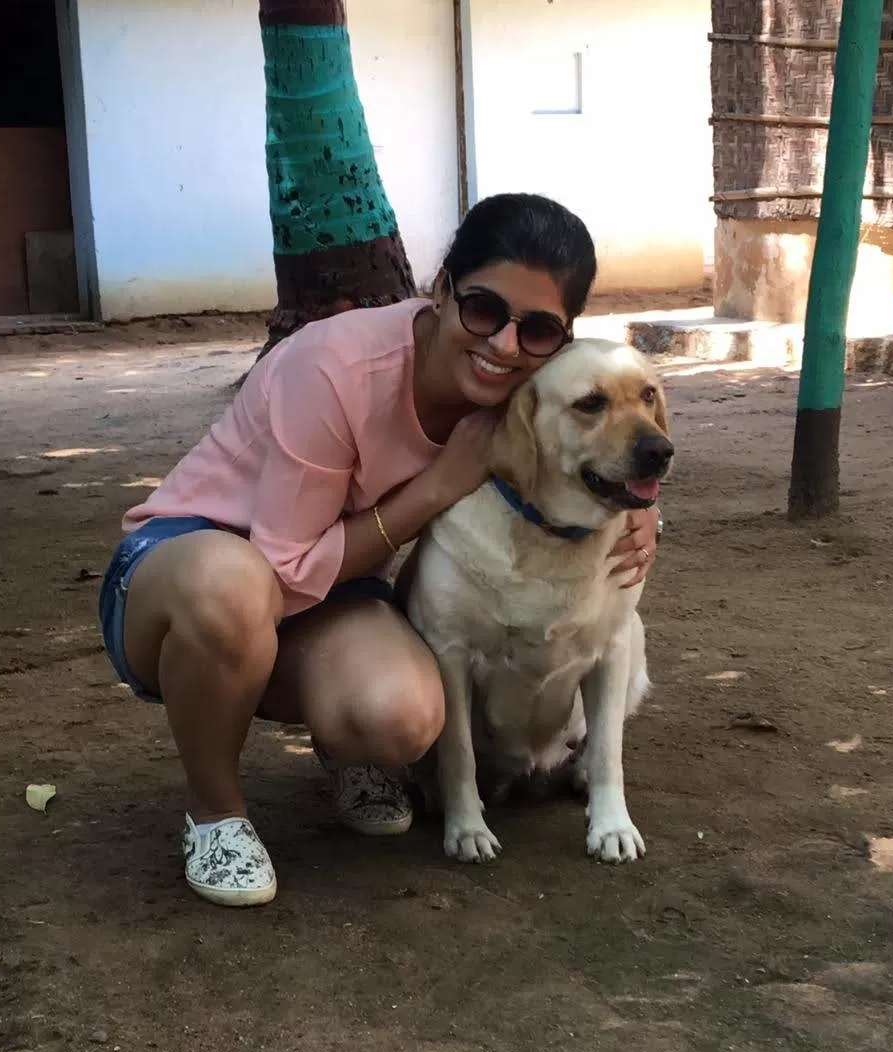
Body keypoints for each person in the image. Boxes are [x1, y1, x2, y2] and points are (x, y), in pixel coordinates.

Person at [98, 193, 660, 907]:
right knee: (232, 586)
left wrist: (643, 510)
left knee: (401, 713)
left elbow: (599, 432)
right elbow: (283, 565)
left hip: (328, 588)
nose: (504, 345)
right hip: (189, 569)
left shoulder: (518, 392)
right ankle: (217, 815)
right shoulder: (333, 367)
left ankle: (352, 750)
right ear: (441, 289)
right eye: (483, 309)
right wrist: (433, 490)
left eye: (540, 328)